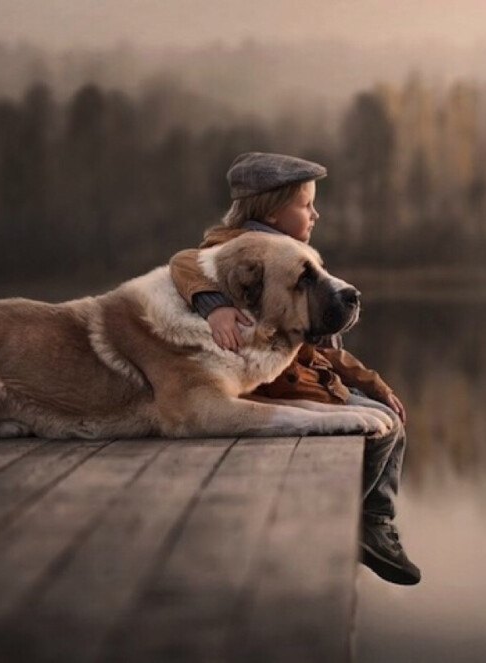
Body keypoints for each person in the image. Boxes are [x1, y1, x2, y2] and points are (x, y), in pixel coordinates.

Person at [169, 152, 420, 585]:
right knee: (382, 428)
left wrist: (370, 381)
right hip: (274, 386)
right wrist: (212, 306)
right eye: (306, 205)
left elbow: (321, 347)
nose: (316, 213)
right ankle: (355, 522)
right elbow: (186, 261)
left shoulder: (292, 255)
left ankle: (370, 521)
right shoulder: (243, 249)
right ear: (270, 210)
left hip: (302, 375)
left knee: (389, 419)